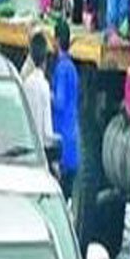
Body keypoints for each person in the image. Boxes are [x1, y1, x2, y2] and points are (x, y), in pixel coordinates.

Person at [50, 20, 79, 198]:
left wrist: (46, 92)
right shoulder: (72, 68)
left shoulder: (61, 68)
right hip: (73, 139)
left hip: (61, 140)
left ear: (57, 40)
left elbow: (59, 102)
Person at [23, 30, 53, 145]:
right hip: (39, 147)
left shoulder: (25, 82)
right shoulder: (44, 86)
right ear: (45, 60)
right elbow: (47, 129)